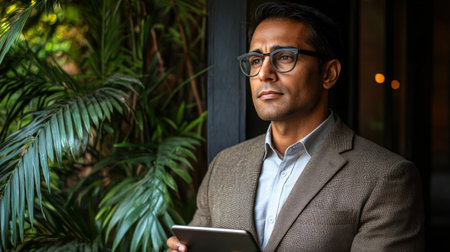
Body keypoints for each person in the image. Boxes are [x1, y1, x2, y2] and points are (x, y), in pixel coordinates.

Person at [167, 2, 424, 251]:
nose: (264, 73)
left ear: (328, 74)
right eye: (256, 60)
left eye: (285, 57)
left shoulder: (385, 177)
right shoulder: (225, 165)